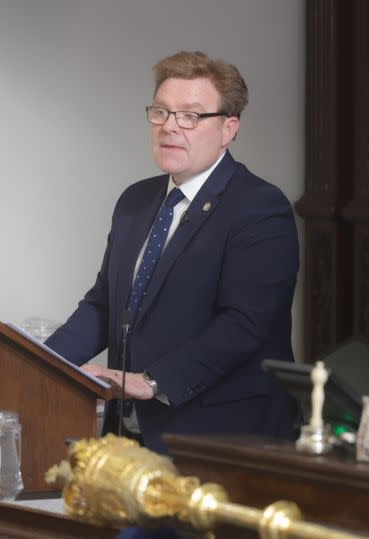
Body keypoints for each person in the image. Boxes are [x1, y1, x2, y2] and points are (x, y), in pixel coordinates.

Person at [45, 50, 299, 454]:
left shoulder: (259, 208)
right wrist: (39, 365)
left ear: (228, 129)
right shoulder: (135, 201)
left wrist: (151, 381)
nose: (170, 127)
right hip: (129, 435)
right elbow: (104, 305)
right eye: (161, 112)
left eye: (190, 116)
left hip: (219, 439)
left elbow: (244, 326)